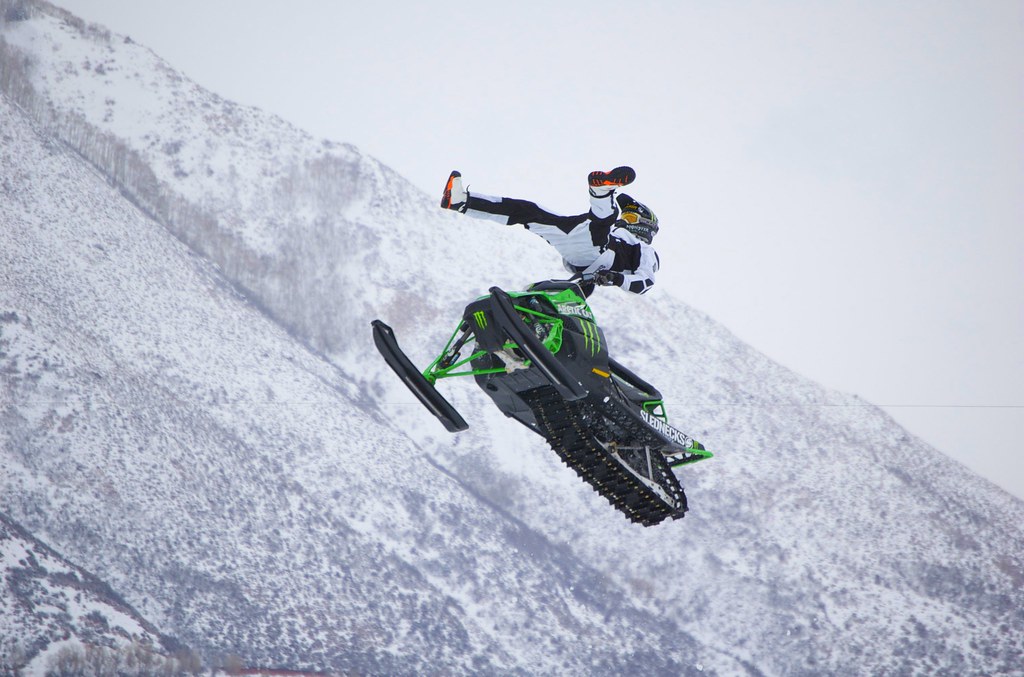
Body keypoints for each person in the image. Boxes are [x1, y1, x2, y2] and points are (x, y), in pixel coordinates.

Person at [439, 166, 660, 296]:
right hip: (579, 239)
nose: (625, 221)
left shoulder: (644, 249)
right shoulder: (615, 231)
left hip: (597, 251)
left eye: (630, 218)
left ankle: (601, 190)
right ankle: (461, 201)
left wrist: (616, 279)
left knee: (601, 222)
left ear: (645, 226)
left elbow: (645, 283)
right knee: (528, 211)